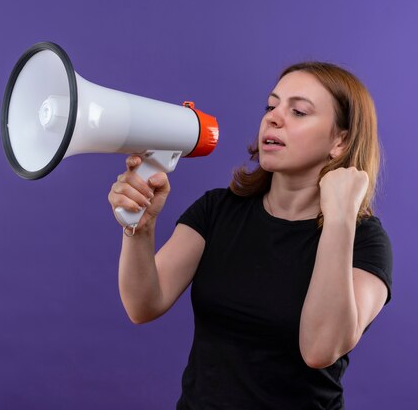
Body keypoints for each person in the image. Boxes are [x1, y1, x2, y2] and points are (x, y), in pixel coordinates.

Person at [108, 62, 393, 409]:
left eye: (299, 111)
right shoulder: (218, 210)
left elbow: (320, 349)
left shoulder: (364, 241)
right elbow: (142, 305)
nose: (274, 118)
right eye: (271, 106)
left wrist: (339, 219)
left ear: (340, 141)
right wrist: (140, 227)